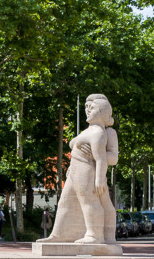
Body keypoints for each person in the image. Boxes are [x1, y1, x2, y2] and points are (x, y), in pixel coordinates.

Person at [38, 94, 119, 244]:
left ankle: (95, 235)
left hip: (88, 170)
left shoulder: (104, 133)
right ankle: (60, 234)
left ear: (102, 112)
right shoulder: (88, 131)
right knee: (65, 201)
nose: (87, 110)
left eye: (92, 108)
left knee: (90, 200)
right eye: (86, 108)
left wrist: (100, 176)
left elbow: (110, 158)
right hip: (75, 170)